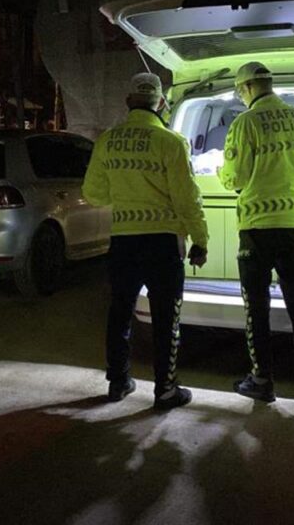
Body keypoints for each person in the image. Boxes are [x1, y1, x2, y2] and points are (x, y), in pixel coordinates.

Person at [83, 72, 208, 410]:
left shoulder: (108, 141)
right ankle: (165, 390)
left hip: (124, 242)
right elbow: (187, 198)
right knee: (166, 318)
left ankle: (118, 382)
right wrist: (200, 239)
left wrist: (124, 193)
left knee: (120, 312)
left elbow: (93, 193)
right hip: (163, 244)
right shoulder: (171, 142)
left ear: (128, 101)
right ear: (161, 103)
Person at [218, 62, 294, 410]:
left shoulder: (245, 123)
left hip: (258, 229)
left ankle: (262, 381)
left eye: (239, 91)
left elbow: (235, 178)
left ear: (248, 87)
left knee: (257, 307)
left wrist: (220, 172)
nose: (240, 96)